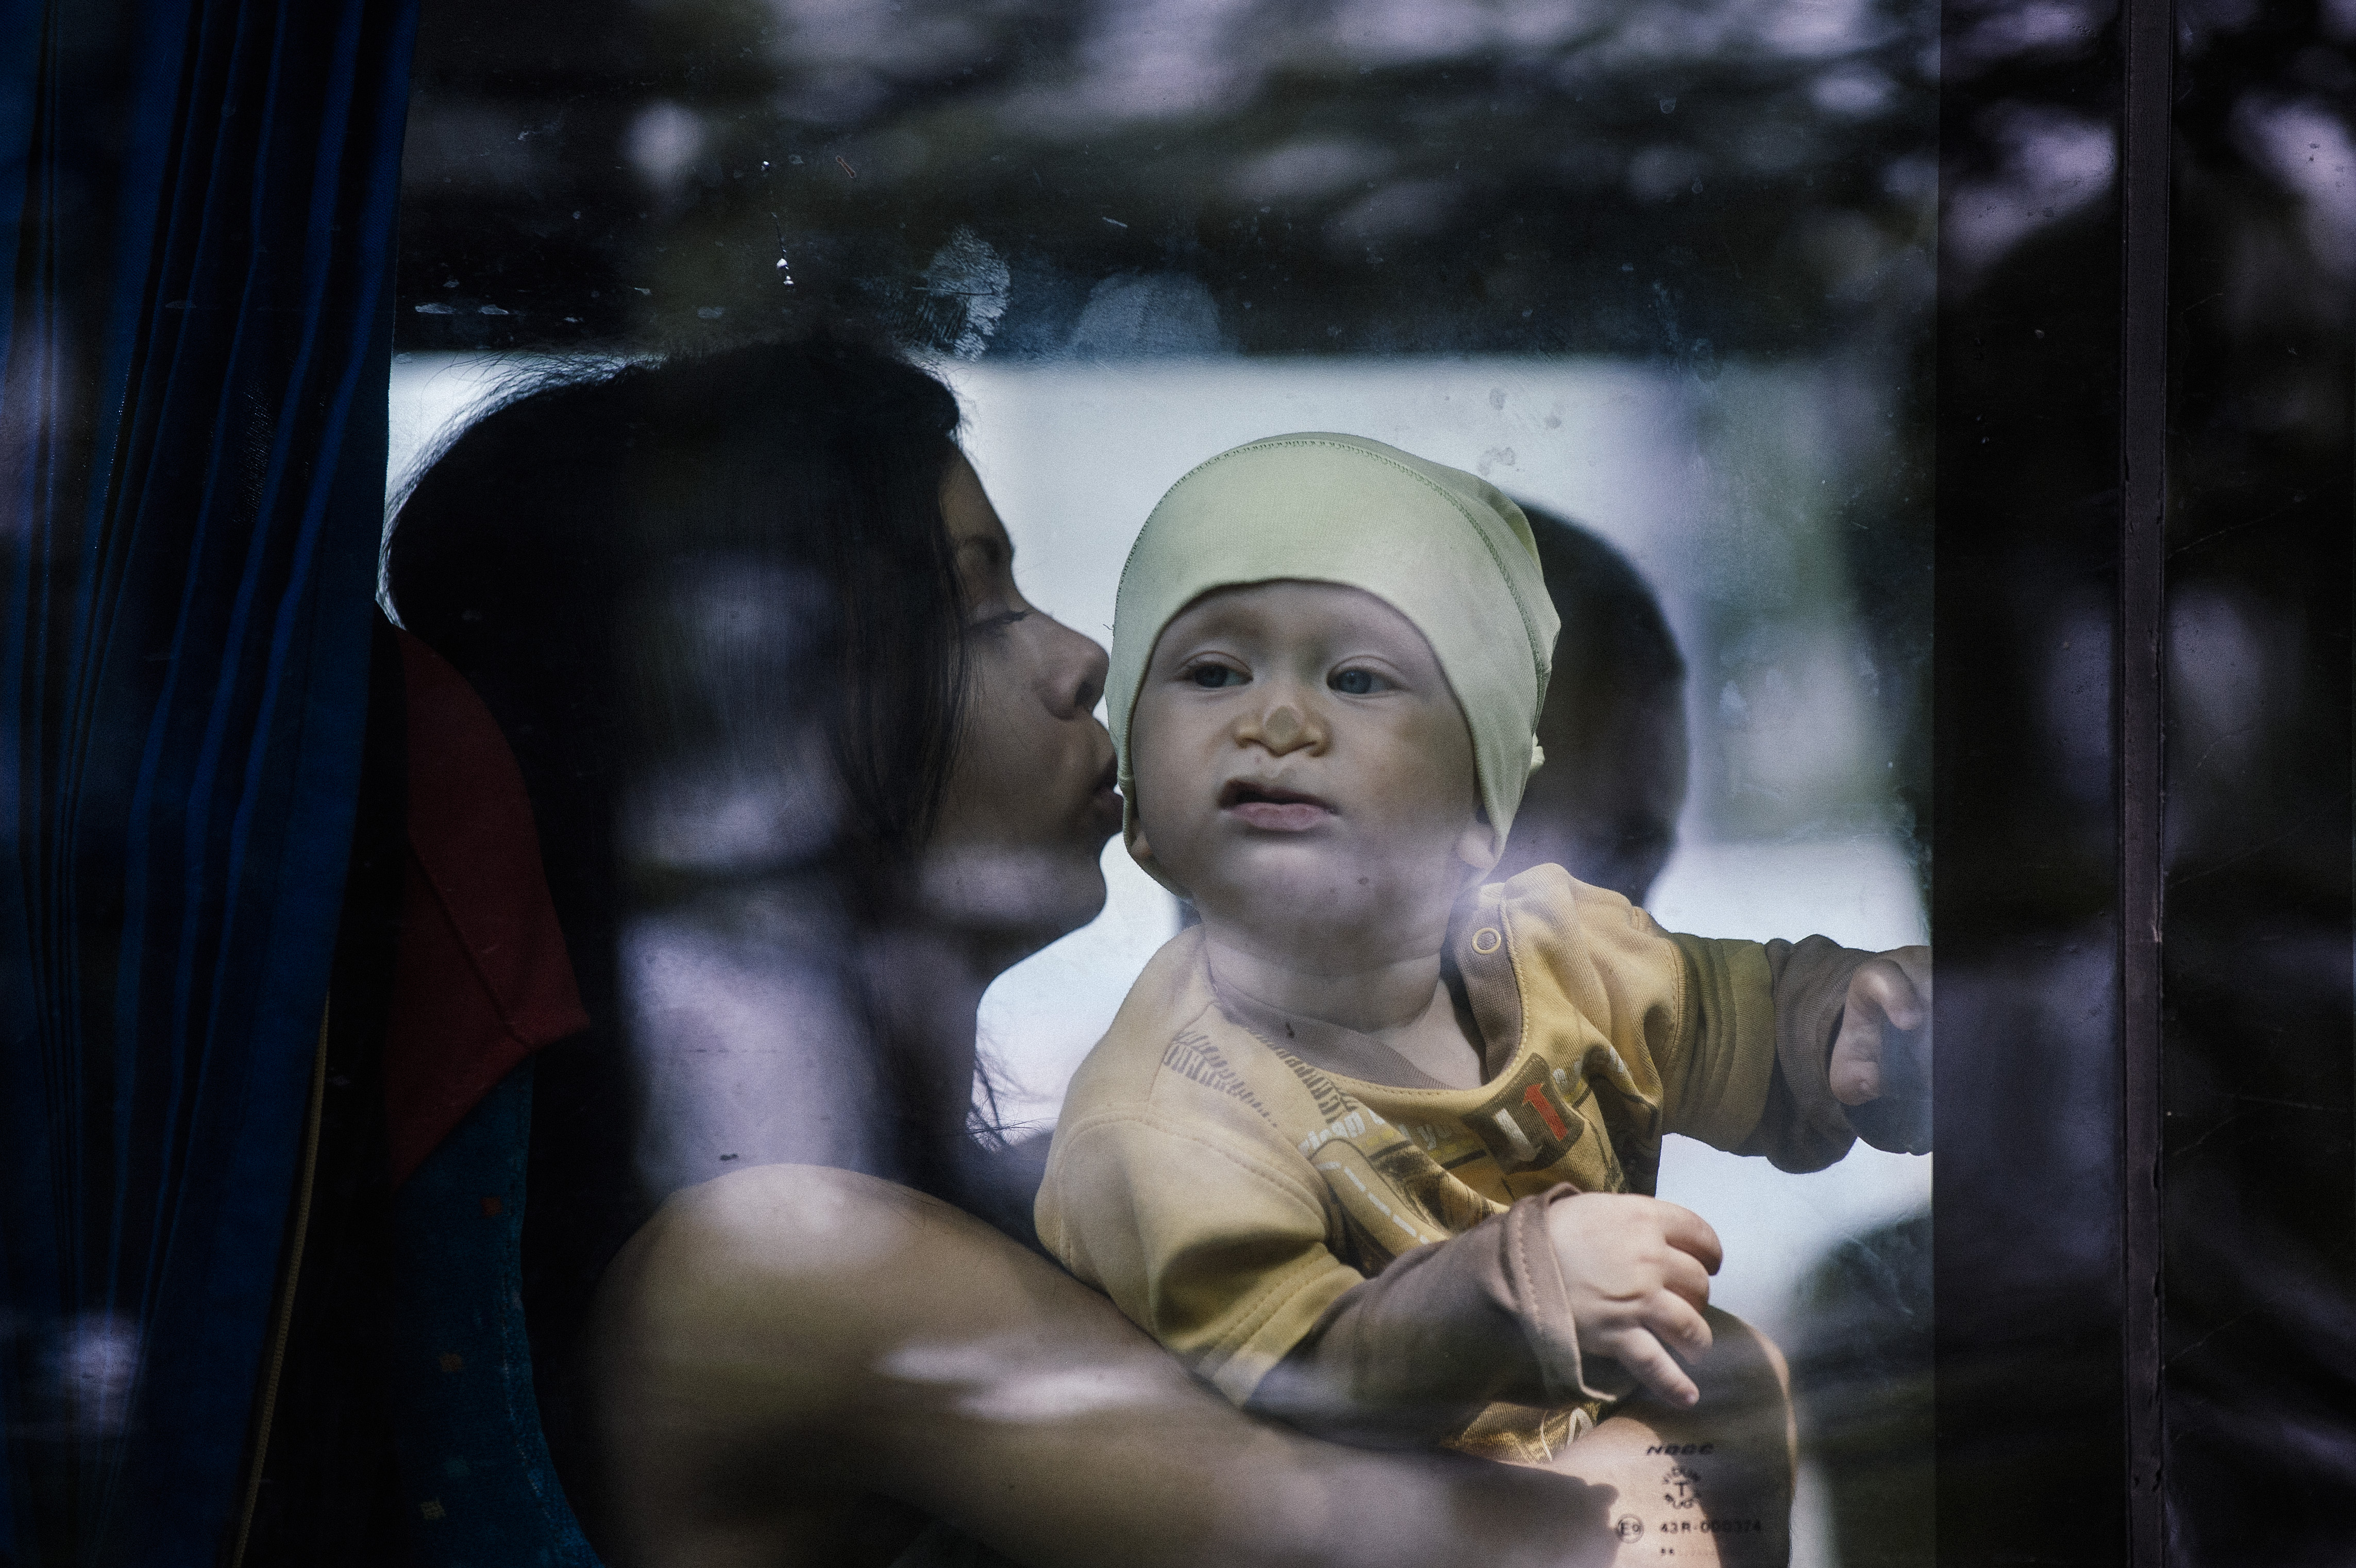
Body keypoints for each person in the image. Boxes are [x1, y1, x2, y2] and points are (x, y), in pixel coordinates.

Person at [387, 341, 1814, 1568]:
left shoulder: (1048, 1189)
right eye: (977, 611)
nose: (1080, 658)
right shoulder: (776, 1260)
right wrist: (1713, 1415)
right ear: (755, 738)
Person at [1034, 434, 1932, 1482]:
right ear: (1143, 814)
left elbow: (1733, 1016)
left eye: (1357, 680)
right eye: (1214, 673)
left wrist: (1849, 1023)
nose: (1277, 720)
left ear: (1480, 814)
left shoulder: (1554, 954)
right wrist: (1523, 1290)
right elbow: (1304, 1375)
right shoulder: (1161, 1129)